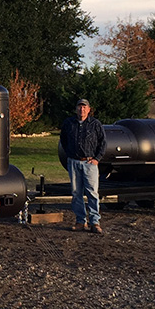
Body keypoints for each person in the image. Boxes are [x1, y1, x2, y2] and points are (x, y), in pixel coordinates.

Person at [60, 99, 106, 233]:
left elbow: (103, 143)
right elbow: (63, 140)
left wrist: (97, 159)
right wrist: (69, 154)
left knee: (92, 192)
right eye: (79, 107)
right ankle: (80, 221)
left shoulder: (95, 124)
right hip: (74, 162)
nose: (82, 110)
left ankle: (95, 222)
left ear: (89, 109)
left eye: (84, 107)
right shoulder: (69, 123)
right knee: (76, 193)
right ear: (76, 109)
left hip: (90, 163)